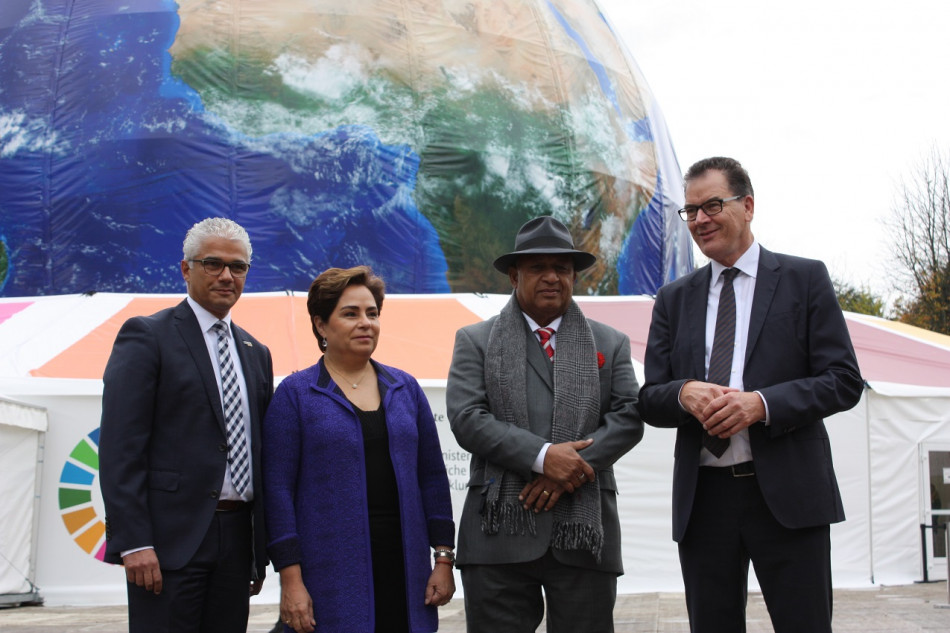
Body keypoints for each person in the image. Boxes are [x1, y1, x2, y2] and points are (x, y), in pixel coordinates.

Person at [637, 157, 864, 633]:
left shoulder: (804, 280)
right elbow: (650, 398)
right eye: (691, 210)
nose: (700, 219)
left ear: (749, 205)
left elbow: (843, 380)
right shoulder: (673, 299)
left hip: (787, 493)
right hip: (705, 502)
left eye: (712, 205)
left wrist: (760, 405)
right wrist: (684, 394)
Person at [446, 216, 643, 633]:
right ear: (514, 276)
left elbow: (628, 419)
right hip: (498, 533)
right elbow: (467, 419)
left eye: (563, 268)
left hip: (584, 534)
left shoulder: (610, 342)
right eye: (538, 268)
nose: (552, 277)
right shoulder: (474, 340)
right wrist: (542, 458)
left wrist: (566, 470)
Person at [99, 217, 274, 633]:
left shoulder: (257, 352)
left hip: (237, 540)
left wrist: (257, 550)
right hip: (166, 543)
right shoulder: (147, 336)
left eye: (239, 266)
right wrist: (135, 542)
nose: (227, 276)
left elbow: (261, 451)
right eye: (213, 263)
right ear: (186, 269)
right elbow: (122, 448)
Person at [262, 265, 455, 633]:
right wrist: (291, 578)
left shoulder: (406, 389)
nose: (365, 323)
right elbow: (278, 491)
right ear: (320, 325)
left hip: (406, 566)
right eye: (350, 314)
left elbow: (432, 478)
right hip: (329, 571)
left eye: (372, 313)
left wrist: (443, 558)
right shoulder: (296, 394)